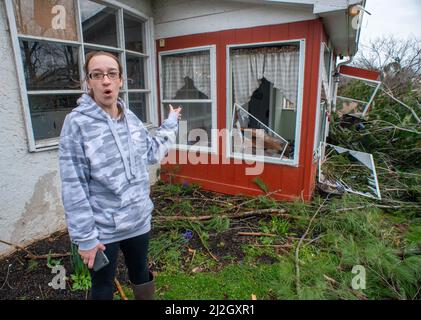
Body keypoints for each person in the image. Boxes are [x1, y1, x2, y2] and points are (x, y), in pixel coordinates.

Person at [59, 51, 181, 300]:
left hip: (138, 220)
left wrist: (170, 124)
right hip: (103, 230)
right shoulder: (76, 124)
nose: (106, 81)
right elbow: (74, 185)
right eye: (97, 74)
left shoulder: (132, 119)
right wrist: (85, 238)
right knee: (103, 286)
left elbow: (151, 152)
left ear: (121, 80)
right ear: (89, 82)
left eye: (112, 74)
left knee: (140, 272)